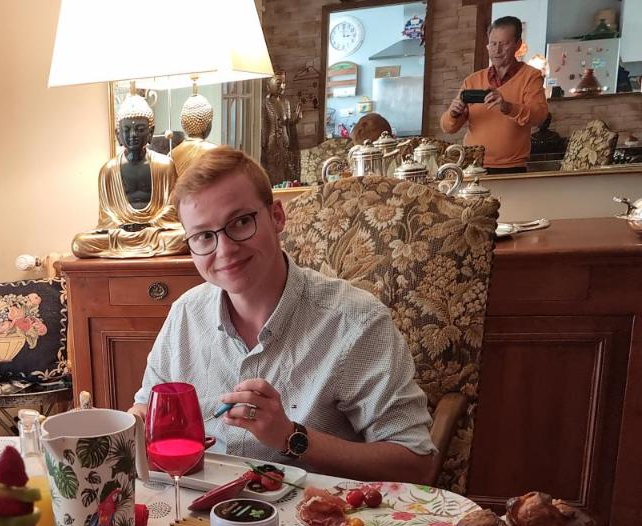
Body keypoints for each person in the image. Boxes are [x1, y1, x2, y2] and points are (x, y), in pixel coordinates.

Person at [129, 147, 435, 484]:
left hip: (319, 519)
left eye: (241, 222)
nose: (225, 249)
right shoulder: (184, 315)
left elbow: (416, 464)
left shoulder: (357, 322)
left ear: (277, 216)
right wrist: (135, 424)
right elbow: (146, 414)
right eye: (204, 236)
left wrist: (291, 438)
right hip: (196, 512)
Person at [71, 93, 186, 258]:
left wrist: (149, 224)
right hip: (120, 233)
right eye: (127, 129)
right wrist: (122, 226)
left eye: (140, 129)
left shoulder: (165, 165)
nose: (133, 135)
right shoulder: (108, 170)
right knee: (79, 243)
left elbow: (172, 207)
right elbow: (106, 213)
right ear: (118, 134)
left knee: (183, 238)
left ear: (150, 132)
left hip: (155, 231)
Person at [440, 15, 547, 174]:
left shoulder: (531, 76)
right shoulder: (473, 80)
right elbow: (447, 128)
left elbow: (539, 116)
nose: (497, 50)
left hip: (512, 168)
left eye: (504, 44)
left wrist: (508, 107)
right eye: (493, 44)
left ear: (518, 44)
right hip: (472, 166)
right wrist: (453, 114)